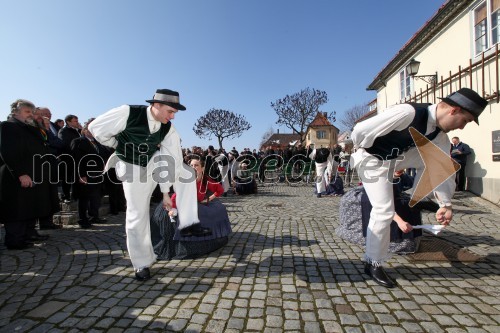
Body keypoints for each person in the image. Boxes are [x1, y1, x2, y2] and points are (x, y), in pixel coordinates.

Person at [350, 87, 488, 288]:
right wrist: (371, 150)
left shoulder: (440, 137)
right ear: (454, 110)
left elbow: (442, 168)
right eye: (465, 120)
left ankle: (418, 196)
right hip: (372, 160)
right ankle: (373, 263)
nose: (462, 127)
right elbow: (360, 131)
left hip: (394, 160)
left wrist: (446, 204)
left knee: (438, 159)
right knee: (384, 210)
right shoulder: (408, 113)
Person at [89, 88, 209, 281]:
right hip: (130, 167)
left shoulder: (168, 128)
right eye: (170, 112)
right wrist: (115, 144)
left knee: (185, 171)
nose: (173, 117)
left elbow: (173, 162)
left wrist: (165, 193)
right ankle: (141, 263)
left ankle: (188, 223)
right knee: (138, 213)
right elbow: (95, 127)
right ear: (156, 105)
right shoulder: (128, 112)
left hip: (152, 163)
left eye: (174, 113)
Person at [0, 99, 59, 249]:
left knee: (28, 207)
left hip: (33, 174)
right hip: (16, 176)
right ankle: (14, 241)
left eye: (32, 112)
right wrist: (21, 173)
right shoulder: (8, 126)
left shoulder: (29, 128)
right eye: (27, 112)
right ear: (15, 112)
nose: (31, 115)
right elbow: (8, 152)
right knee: (17, 209)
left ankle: (26, 236)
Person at [151, 157, 231, 259]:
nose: (193, 167)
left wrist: (208, 199)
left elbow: (219, 190)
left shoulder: (206, 180)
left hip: (196, 204)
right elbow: (177, 195)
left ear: (202, 168)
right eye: (191, 165)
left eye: (196, 165)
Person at [70, 119, 110, 229]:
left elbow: (104, 155)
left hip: (97, 175)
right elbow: (77, 160)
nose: (93, 132)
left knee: (96, 197)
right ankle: (82, 219)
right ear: (85, 130)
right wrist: (81, 175)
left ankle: (94, 216)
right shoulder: (78, 141)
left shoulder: (97, 143)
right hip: (85, 175)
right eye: (90, 130)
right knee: (84, 198)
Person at [58, 114, 81, 203]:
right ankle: (66, 196)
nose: (77, 123)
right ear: (68, 122)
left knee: (75, 177)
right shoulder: (63, 131)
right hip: (68, 158)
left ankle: (75, 195)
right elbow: (64, 143)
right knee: (67, 178)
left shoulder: (77, 131)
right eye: (75, 121)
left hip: (77, 158)